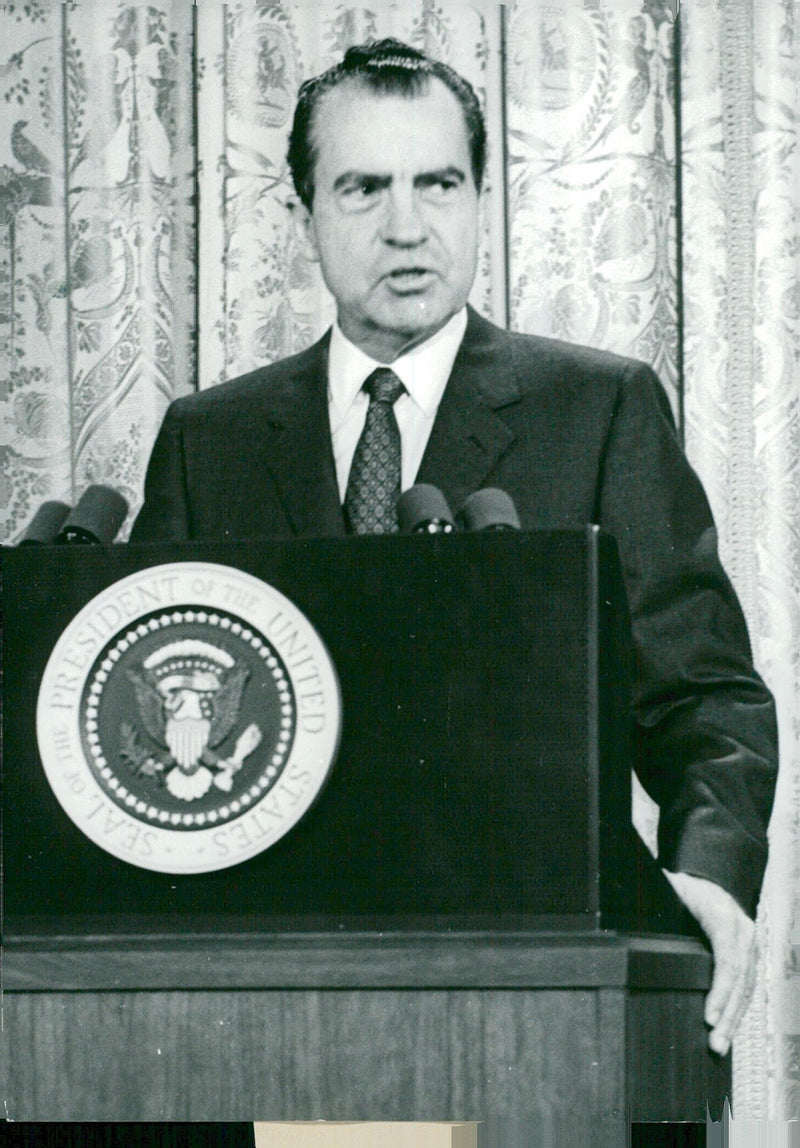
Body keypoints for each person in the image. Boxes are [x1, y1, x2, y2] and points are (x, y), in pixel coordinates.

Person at [131, 38, 778, 1057]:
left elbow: (703, 700)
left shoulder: (597, 410)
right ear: (307, 216)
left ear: (479, 197)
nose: (406, 226)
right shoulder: (206, 439)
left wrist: (703, 872)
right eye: (362, 188)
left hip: (538, 990)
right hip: (261, 997)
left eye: (437, 182)